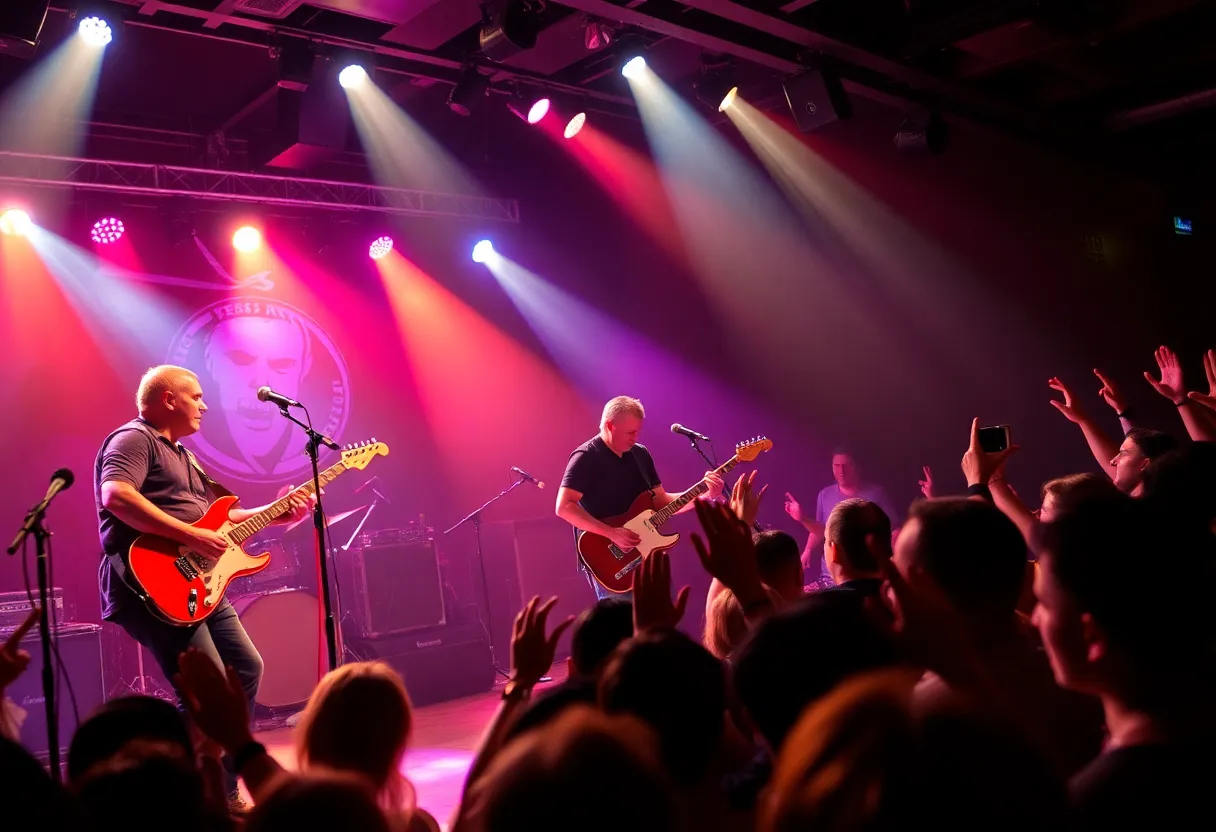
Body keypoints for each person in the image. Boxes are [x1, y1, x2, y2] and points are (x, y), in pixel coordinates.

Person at [95, 365, 312, 807]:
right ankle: (178, 791)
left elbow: (221, 517)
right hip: (154, 581)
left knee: (246, 669)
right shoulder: (134, 439)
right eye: (195, 396)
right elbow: (115, 495)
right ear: (168, 399)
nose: (205, 405)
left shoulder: (184, 455)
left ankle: (222, 784)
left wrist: (280, 509)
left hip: (200, 582)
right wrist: (190, 536)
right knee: (206, 687)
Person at [556, 396, 723, 600]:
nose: (635, 437)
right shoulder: (586, 456)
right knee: (624, 626)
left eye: (637, 431)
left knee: (663, 621)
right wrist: (612, 533)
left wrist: (704, 496)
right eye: (630, 432)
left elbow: (661, 502)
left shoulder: (640, 454)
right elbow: (564, 507)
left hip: (647, 554)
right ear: (610, 426)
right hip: (610, 558)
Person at [783, 451, 896, 586]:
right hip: (829, 578)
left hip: (865, 576)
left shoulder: (877, 493)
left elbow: (893, 530)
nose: (841, 471)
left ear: (857, 466)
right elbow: (822, 530)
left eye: (846, 465)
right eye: (836, 466)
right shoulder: (825, 494)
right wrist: (808, 549)